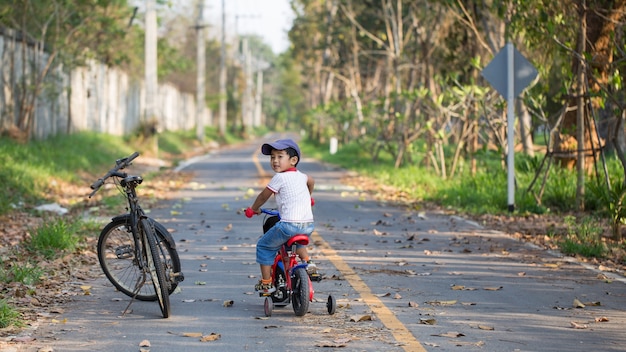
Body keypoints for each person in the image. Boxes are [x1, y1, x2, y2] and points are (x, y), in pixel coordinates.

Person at [245, 138, 315, 294]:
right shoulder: (302, 176)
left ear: (293, 160)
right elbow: (312, 181)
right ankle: (309, 263)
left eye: (280, 156)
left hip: (288, 224)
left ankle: (266, 284)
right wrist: (308, 198)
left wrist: (253, 209)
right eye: (272, 157)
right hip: (308, 224)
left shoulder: (280, 177)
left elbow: (264, 196)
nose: (275, 161)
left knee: (264, 246)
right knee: (298, 243)